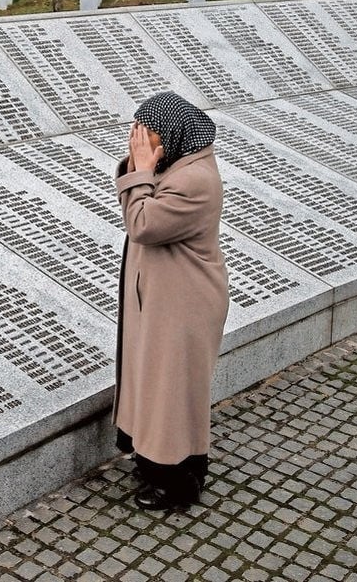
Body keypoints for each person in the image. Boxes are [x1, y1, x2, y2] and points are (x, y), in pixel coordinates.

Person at [114, 91, 229, 512]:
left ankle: (179, 483)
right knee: (157, 385)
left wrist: (141, 171)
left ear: (175, 136)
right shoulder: (178, 164)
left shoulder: (193, 181)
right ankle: (156, 461)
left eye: (149, 137)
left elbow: (142, 223)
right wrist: (141, 168)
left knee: (173, 392)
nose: (141, 145)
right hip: (164, 298)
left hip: (185, 304)